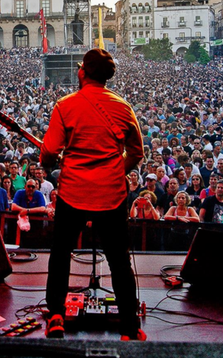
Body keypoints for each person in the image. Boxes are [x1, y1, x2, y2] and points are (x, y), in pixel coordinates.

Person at [40, 48, 146, 341]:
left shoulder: (65, 105)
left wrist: (48, 162)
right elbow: (136, 152)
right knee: (119, 261)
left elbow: (49, 151)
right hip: (110, 196)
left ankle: (57, 315)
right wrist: (114, 171)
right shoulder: (124, 107)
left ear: (83, 72)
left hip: (73, 193)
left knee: (61, 254)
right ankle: (129, 327)